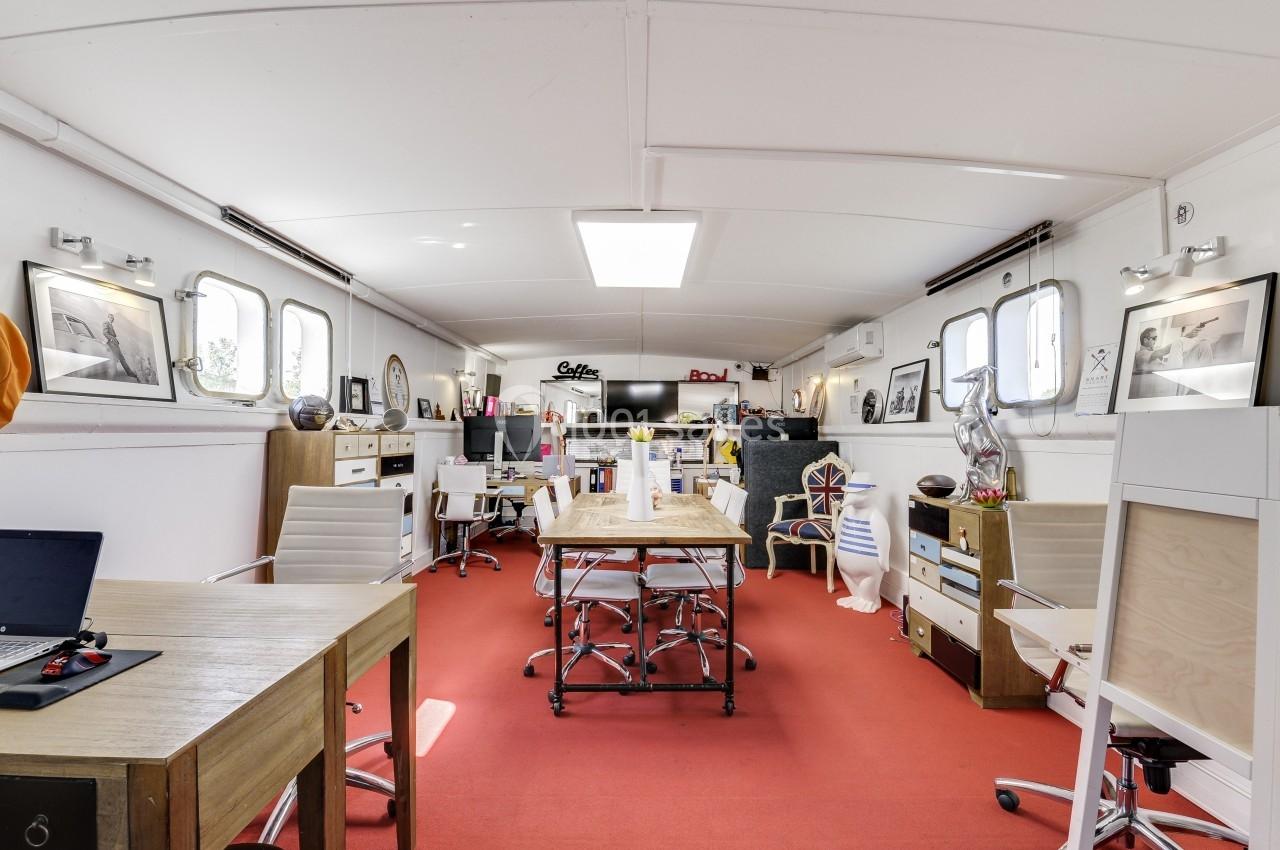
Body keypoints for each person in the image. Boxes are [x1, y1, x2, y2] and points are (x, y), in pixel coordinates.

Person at [102, 313, 138, 380]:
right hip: (112, 343)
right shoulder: (106, 323)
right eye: (111, 318)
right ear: (108, 318)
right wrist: (111, 338)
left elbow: (110, 334)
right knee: (120, 358)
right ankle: (128, 373)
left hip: (114, 343)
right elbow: (105, 333)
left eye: (113, 318)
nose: (112, 319)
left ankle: (118, 373)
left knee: (117, 357)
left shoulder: (110, 325)